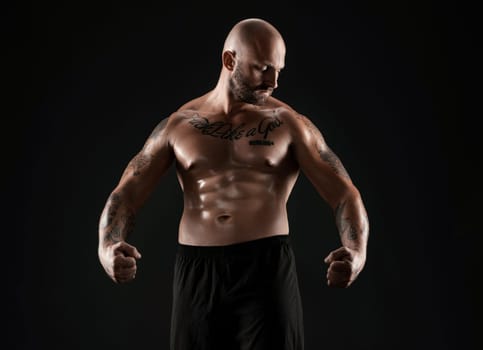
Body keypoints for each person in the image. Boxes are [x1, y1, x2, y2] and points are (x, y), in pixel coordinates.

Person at [97, 17, 369, 350]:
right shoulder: (179, 125)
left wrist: (357, 252)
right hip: (197, 271)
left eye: (279, 71)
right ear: (230, 61)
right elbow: (126, 194)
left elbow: (344, 192)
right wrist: (107, 247)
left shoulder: (289, 124)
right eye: (264, 68)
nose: (274, 82)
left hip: (265, 268)